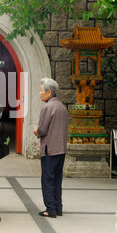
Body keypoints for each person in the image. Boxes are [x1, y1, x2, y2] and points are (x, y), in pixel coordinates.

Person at [33, 78, 68, 218]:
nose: (40, 93)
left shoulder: (47, 107)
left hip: (50, 149)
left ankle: (50, 209)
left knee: (47, 179)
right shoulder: (62, 107)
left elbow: (42, 130)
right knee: (57, 179)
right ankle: (58, 207)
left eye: (41, 91)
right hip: (61, 149)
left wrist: (36, 131)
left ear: (49, 92)